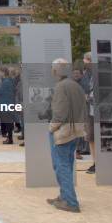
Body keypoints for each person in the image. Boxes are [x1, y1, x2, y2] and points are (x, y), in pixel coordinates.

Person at [46, 58, 87, 213]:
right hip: (75, 131)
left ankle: (70, 201)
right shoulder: (76, 86)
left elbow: (59, 113)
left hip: (63, 132)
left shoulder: (61, 87)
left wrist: (51, 128)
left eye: (53, 68)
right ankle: (64, 196)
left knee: (61, 166)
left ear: (56, 70)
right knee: (67, 166)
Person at [81, 52, 96, 174]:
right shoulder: (86, 74)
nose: (84, 63)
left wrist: (88, 97)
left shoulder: (98, 74)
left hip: (99, 110)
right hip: (90, 111)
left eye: (85, 60)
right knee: (91, 137)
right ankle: (95, 163)